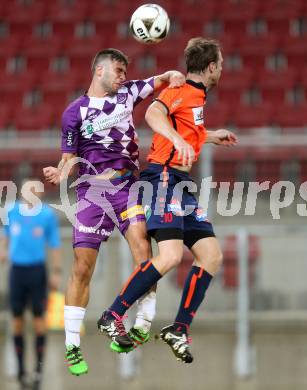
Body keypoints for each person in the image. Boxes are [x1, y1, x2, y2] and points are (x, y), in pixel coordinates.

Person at [43, 48, 192, 376]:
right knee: (82, 267)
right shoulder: (74, 112)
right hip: (92, 194)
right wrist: (60, 172)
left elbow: (162, 79)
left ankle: (141, 323)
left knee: (144, 251)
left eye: (126, 71)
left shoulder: (128, 93)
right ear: (99, 71)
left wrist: (174, 75)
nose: (125, 76)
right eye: (119, 70)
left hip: (127, 188)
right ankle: (72, 345)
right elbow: (68, 156)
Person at [98, 37, 238, 363]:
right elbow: (153, 114)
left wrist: (209, 136)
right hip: (162, 178)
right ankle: (113, 314)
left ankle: (179, 328)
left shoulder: (197, 98)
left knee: (211, 255)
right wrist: (175, 138)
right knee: (172, 255)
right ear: (212, 67)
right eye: (221, 64)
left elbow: (187, 127)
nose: (222, 69)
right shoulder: (181, 91)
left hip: (181, 183)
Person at [0, 179, 61, 389]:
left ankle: (38, 370)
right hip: (17, 271)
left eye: (36, 189)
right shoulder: (12, 211)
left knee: (38, 322)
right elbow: (5, 234)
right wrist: (3, 250)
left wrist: (55, 271)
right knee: (16, 322)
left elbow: (54, 244)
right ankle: (20, 370)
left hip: (37, 272)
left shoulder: (46, 215)